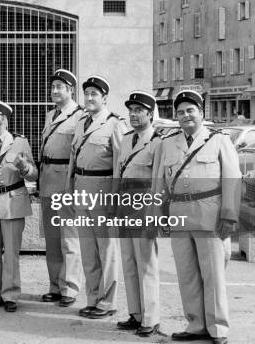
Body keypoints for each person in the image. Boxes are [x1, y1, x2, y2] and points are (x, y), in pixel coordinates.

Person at [152, 90, 241, 344]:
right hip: (179, 215)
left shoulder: (218, 140)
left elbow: (232, 179)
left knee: (212, 273)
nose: (185, 116)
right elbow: (159, 183)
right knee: (187, 274)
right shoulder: (168, 143)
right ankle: (196, 324)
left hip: (210, 215)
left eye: (190, 110)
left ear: (201, 113)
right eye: (180, 112)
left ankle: (218, 328)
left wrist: (229, 215)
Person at [66, 75, 127, 319]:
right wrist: (69, 189)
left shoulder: (115, 125)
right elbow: (73, 157)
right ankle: (93, 298)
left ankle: (108, 302)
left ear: (105, 98)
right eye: (87, 93)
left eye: (94, 94)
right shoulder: (81, 123)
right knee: (88, 249)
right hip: (81, 189)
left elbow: (120, 165)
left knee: (107, 250)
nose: (89, 98)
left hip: (103, 191)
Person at [0, 100, 38, 313]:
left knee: (11, 252)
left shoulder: (20, 143)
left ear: (3, 119)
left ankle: (10, 294)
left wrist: (24, 166)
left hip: (13, 202)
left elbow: (34, 174)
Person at [114, 91, 161, 337]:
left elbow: (159, 182)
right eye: (131, 110)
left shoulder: (158, 142)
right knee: (129, 263)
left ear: (150, 114)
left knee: (146, 265)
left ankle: (151, 318)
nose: (133, 114)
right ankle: (136, 314)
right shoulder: (125, 139)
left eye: (139, 110)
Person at [39, 69, 83, 307]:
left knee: (69, 239)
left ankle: (70, 288)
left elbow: (79, 154)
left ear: (71, 91)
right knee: (52, 239)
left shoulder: (80, 116)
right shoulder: (50, 115)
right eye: (53, 86)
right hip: (47, 181)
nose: (55, 91)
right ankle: (55, 285)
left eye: (60, 87)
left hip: (66, 182)